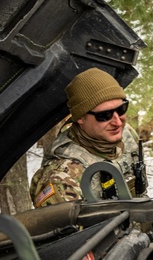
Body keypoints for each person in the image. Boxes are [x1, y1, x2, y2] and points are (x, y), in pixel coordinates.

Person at [30, 68, 146, 207]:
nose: (117, 122)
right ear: (80, 118)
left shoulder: (127, 136)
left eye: (121, 109)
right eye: (104, 115)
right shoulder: (61, 177)